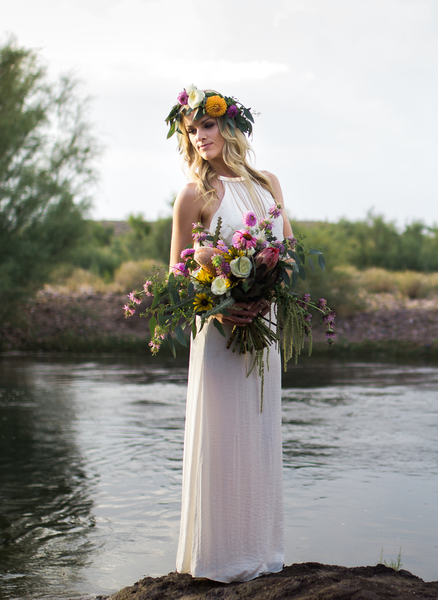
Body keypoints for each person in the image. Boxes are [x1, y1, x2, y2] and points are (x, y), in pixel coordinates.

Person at [166, 86, 291, 582]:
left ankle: (260, 554)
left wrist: (265, 292)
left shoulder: (268, 184)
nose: (200, 137)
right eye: (192, 130)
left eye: (208, 126)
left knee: (258, 434)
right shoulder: (194, 195)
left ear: (230, 127)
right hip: (219, 330)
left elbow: (288, 253)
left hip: (264, 322)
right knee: (221, 438)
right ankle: (217, 561)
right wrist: (218, 310)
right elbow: (176, 274)